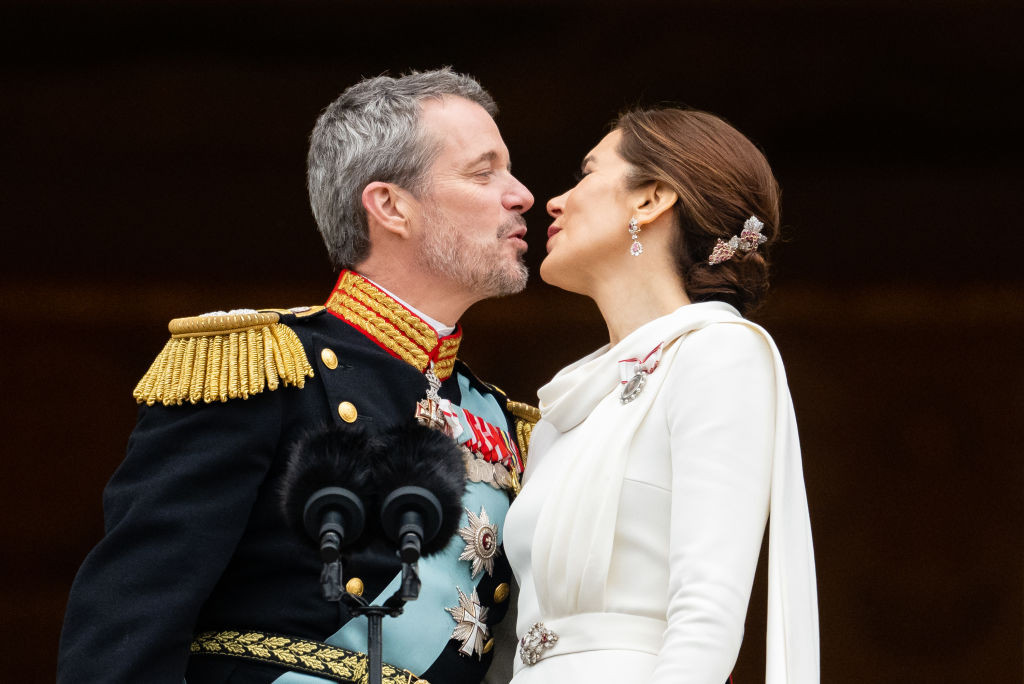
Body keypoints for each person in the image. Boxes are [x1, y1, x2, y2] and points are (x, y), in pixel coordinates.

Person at [58, 68, 540, 684]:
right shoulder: (263, 366)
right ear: (391, 206)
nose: (521, 195)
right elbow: (130, 616)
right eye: (483, 172)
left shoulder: (502, 419)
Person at [503, 107, 819, 684]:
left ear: (650, 199)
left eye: (586, 173)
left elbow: (706, 618)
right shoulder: (566, 404)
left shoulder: (718, 352)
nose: (554, 202)